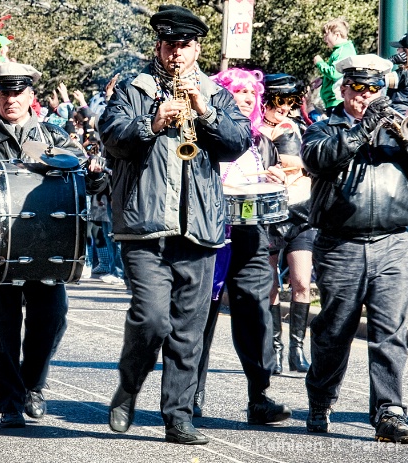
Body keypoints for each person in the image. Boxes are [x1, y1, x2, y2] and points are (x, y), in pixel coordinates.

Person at [98, 5, 251, 444]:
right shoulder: (134, 88)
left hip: (199, 227)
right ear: (158, 46)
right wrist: (152, 122)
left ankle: (178, 416)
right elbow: (111, 136)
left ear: (197, 48)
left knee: (188, 330)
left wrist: (206, 113)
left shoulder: (214, 92)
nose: (177, 54)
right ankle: (128, 389)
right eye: (170, 45)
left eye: (185, 46)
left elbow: (238, 142)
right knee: (151, 320)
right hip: (145, 225)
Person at [301, 53, 408, 443]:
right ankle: (321, 397)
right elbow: (318, 159)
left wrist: (406, 140)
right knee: (334, 332)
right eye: (358, 89)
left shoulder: (399, 128)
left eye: (374, 89)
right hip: (340, 244)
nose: (366, 97)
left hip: (393, 243)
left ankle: (389, 412)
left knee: (390, 332)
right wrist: (361, 131)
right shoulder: (324, 128)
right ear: (344, 89)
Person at [0, 61, 108, 428]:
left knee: (50, 321)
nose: (10, 99)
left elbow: (82, 182)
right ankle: (10, 404)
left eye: (18, 93)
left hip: (49, 245)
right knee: (2, 329)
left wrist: (96, 176)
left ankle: (33, 384)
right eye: (4, 93)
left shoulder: (54, 136)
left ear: (31, 97)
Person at [192, 68, 292, 425]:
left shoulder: (262, 141)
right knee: (201, 312)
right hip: (209, 233)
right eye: (239, 91)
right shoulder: (204, 133)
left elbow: (269, 182)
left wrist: (274, 176)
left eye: (252, 92)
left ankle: (259, 396)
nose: (248, 97)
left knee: (254, 308)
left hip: (250, 234)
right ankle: (191, 395)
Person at [259, 74, 315, 375]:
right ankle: (275, 349)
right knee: (269, 287)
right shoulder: (253, 130)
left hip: (300, 212)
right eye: (279, 101)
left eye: (291, 102)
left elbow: (310, 161)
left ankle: (296, 349)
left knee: (302, 282)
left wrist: (301, 164)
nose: (285, 108)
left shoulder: (300, 126)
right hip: (268, 215)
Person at [313, 18, 357, 113]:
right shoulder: (341, 50)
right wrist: (323, 79)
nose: (324, 39)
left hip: (337, 101)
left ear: (337, 35)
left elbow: (335, 73)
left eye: (326, 35)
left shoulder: (343, 51)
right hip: (335, 101)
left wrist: (320, 63)